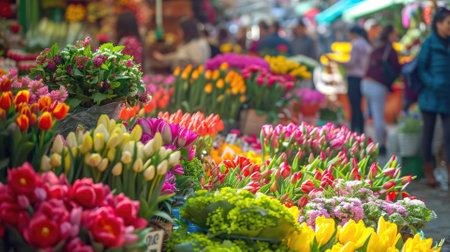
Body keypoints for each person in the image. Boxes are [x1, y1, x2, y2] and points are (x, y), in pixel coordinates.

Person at [417, 7, 450, 187]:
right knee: (427, 136)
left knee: (449, 136)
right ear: (438, 23)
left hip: (447, 97)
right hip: (430, 97)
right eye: (448, 23)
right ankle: (429, 173)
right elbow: (421, 69)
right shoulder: (429, 43)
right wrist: (433, 83)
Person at [362, 25, 402, 155]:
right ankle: (380, 145)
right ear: (389, 34)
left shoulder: (376, 47)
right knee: (378, 117)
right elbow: (398, 68)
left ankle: (365, 143)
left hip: (365, 83)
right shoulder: (389, 49)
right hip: (376, 86)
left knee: (369, 114)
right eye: (395, 34)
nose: (397, 36)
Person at [332, 26, 371, 135]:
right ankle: (361, 131)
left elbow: (350, 63)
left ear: (354, 33)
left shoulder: (356, 44)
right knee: (359, 106)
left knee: (354, 106)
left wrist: (335, 60)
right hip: (363, 78)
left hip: (354, 78)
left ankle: (354, 131)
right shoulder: (366, 44)